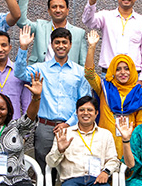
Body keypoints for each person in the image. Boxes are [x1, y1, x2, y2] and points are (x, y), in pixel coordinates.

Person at [14, 27, 92, 174]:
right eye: (57, 42)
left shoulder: (79, 72)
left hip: (71, 127)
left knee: (71, 169)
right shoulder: (40, 69)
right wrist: (23, 47)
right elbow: (19, 73)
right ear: (51, 44)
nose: (61, 46)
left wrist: (68, 123)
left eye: (64, 42)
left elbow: (84, 102)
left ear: (70, 45)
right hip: (45, 127)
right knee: (43, 170)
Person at [85, 30, 142, 154]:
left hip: (130, 146)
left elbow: (141, 126)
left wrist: (136, 148)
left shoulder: (139, 94)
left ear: (132, 71)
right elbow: (89, 74)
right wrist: (92, 47)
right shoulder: (104, 88)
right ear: (113, 71)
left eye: (126, 69)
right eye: (118, 69)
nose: (123, 72)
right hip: (104, 145)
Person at [82, 0, 142, 79]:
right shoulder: (106, 16)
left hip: (133, 76)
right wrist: (93, 0)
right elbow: (88, 21)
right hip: (108, 75)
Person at [12, 0, 86, 66]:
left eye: (61, 7)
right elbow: (21, 22)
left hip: (69, 77)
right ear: (49, 11)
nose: (58, 10)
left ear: (67, 11)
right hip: (41, 76)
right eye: (54, 7)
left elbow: (83, 63)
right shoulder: (40, 27)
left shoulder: (79, 33)